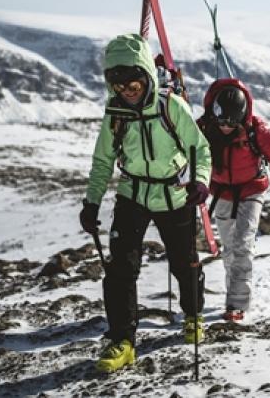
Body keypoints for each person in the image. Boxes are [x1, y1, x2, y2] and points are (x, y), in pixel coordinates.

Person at [79, 33, 212, 373]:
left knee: (185, 263)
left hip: (174, 194)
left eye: (132, 78)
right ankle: (122, 340)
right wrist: (91, 202)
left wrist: (200, 181)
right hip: (132, 195)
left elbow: (200, 149)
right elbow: (102, 162)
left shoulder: (171, 106)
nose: (127, 87)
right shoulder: (115, 115)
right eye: (118, 81)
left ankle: (194, 316)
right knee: (121, 269)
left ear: (146, 74)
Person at [198, 78, 270, 322]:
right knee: (229, 248)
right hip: (220, 191)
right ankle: (235, 291)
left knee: (242, 244)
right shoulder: (203, 127)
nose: (226, 127)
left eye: (232, 122)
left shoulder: (255, 129)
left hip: (251, 190)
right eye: (222, 121)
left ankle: (236, 305)